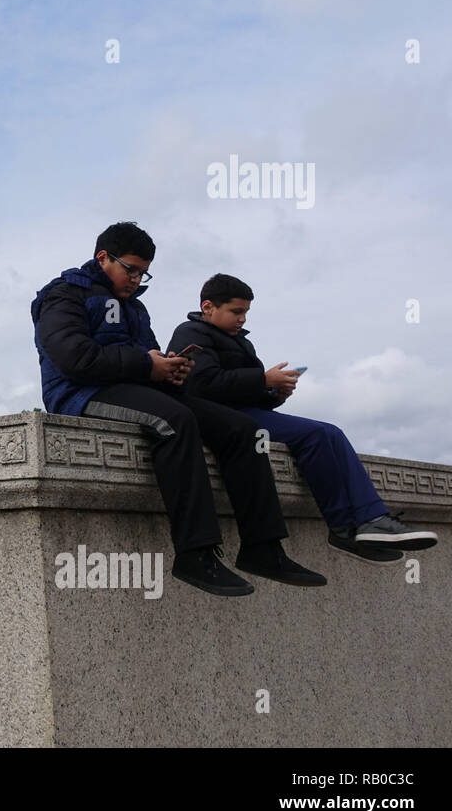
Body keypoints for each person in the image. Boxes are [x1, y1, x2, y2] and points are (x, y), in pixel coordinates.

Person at [31, 221, 323, 597]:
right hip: (81, 392)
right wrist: (144, 364)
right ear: (103, 257)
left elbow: (149, 354)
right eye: (130, 269)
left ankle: (263, 547)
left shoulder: (135, 307)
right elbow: (74, 357)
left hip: (136, 387)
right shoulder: (64, 294)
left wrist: (170, 368)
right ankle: (195, 553)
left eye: (143, 271)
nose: (136, 278)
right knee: (174, 421)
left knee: (242, 429)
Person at [168, 273, 437, 561]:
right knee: (316, 436)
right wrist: (262, 378)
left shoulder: (242, 343)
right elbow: (202, 385)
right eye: (236, 311)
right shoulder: (191, 333)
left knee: (330, 433)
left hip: (247, 412)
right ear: (208, 307)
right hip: (222, 419)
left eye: (246, 312)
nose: (243, 319)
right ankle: (346, 529)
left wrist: (274, 394)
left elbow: (246, 391)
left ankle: (370, 520)